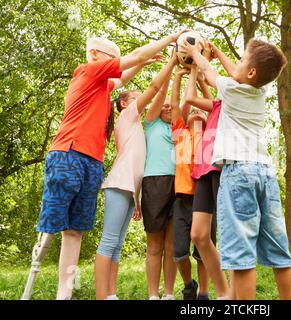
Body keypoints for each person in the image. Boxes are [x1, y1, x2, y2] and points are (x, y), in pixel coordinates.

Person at [36, 30, 187, 300]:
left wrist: (141, 64)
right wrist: (171, 40)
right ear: (95, 56)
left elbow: (124, 76)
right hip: (69, 154)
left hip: (93, 163)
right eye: (114, 60)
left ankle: (65, 294)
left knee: (75, 232)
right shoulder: (88, 71)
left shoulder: (102, 87)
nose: (117, 64)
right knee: (53, 227)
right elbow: (139, 66)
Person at [180, 38, 291, 300]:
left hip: (238, 173)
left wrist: (195, 53)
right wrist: (218, 52)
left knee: (241, 255)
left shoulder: (231, 90)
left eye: (242, 60)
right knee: (280, 252)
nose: (237, 64)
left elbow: (210, 74)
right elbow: (233, 71)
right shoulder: (260, 92)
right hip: (266, 174)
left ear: (251, 72)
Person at [95, 53, 181, 300]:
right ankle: (103, 295)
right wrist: (170, 63)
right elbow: (155, 89)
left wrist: (137, 198)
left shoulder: (137, 126)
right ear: (124, 103)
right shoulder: (129, 115)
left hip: (128, 188)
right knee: (109, 242)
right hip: (118, 184)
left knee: (117, 246)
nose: (140, 100)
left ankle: (111, 295)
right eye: (135, 97)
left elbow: (140, 165)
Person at [170, 66, 216, 300]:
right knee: (179, 252)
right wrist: (179, 76)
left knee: (203, 251)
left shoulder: (211, 135)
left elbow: (214, 104)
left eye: (202, 112)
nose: (197, 112)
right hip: (182, 199)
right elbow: (176, 104)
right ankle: (189, 284)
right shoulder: (180, 133)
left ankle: (204, 294)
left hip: (205, 199)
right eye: (193, 112)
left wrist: (202, 82)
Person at [141, 53, 180, 300]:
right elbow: (161, 97)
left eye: (169, 105)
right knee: (154, 245)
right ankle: (153, 294)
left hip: (178, 184)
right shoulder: (151, 123)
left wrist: (182, 74)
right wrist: (171, 66)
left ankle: (168, 293)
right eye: (163, 105)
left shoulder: (178, 124)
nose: (167, 107)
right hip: (154, 183)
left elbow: (179, 103)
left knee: (171, 244)